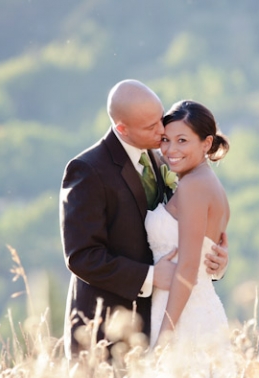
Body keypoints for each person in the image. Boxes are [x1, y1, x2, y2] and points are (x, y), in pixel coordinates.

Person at [59, 80, 228, 360]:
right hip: (104, 331)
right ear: (122, 129)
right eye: (151, 127)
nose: (162, 131)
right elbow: (81, 257)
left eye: (160, 119)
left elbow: (183, 231)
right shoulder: (88, 170)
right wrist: (150, 276)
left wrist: (212, 260)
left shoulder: (163, 159)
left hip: (160, 319)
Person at [145, 100, 231, 350]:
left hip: (182, 318)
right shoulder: (205, 182)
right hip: (193, 308)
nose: (171, 149)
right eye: (165, 140)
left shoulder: (194, 186)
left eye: (182, 140)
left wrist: (163, 340)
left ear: (206, 143)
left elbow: (188, 267)